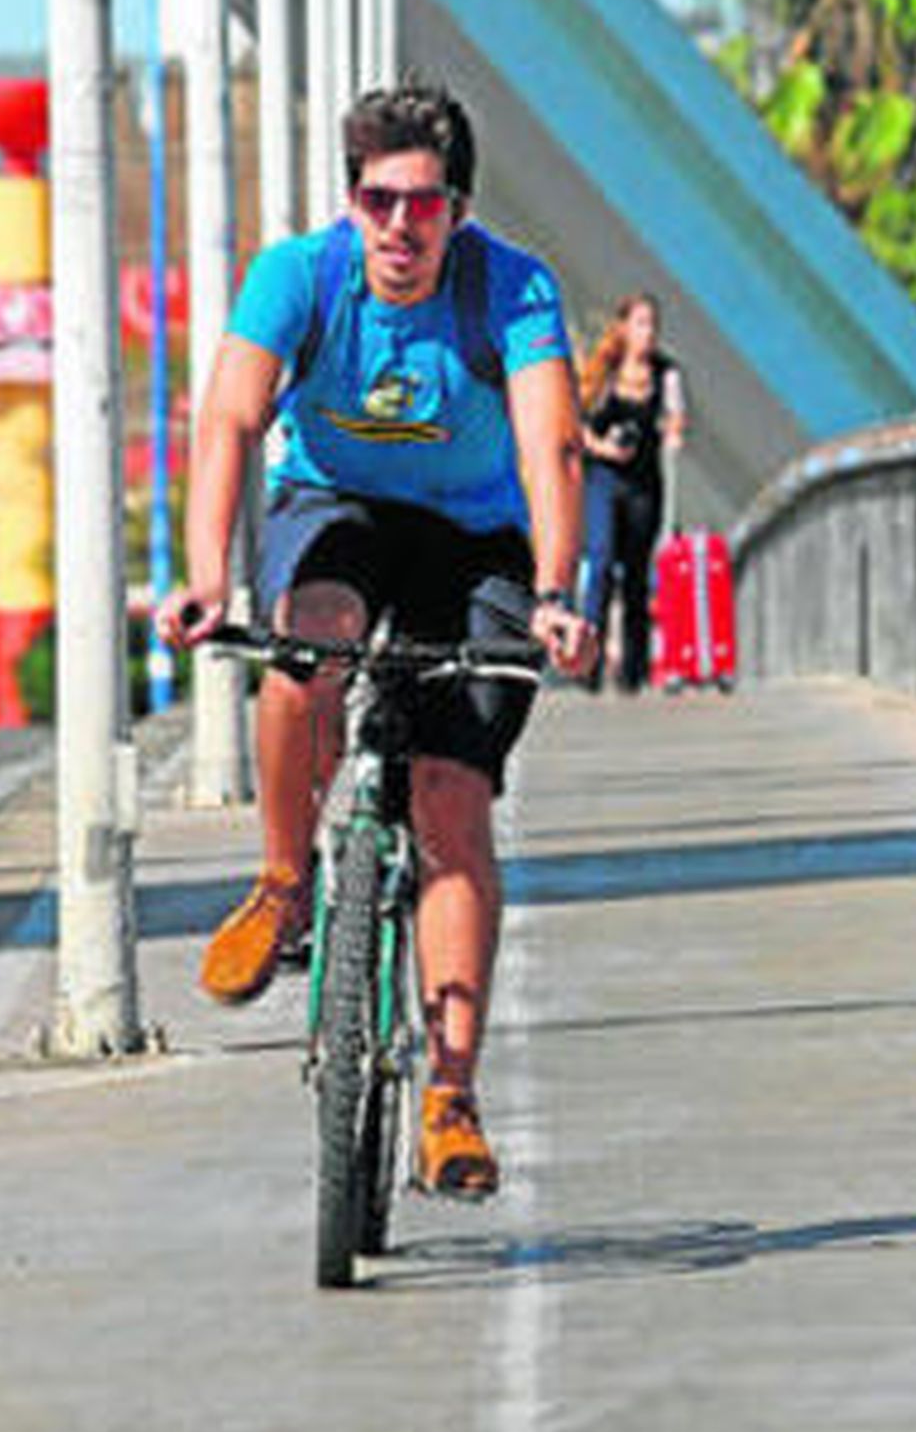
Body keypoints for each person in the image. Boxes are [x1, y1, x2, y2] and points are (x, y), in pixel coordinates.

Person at [158, 80, 595, 1200]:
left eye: (424, 205)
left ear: (458, 208)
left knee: (450, 793)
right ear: (350, 202)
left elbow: (551, 445)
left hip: (480, 539)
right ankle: (280, 880)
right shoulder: (298, 276)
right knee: (310, 638)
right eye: (378, 200)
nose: (400, 227)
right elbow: (231, 418)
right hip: (337, 511)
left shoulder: (511, 287)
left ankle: (449, 1099)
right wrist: (206, 576)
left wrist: (555, 588)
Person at [577, 293, 688, 692]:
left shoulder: (666, 373)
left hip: (644, 480)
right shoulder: (604, 371)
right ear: (623, 327)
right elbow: (577, 424)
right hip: (605, 477)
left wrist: (672, 432)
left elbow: (676, 415)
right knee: (602, 562)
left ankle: (633, 673)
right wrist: (604, 447)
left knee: (638, 574)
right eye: (641, 324)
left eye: (652, 325)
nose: (648, 333)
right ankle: (588, 663)